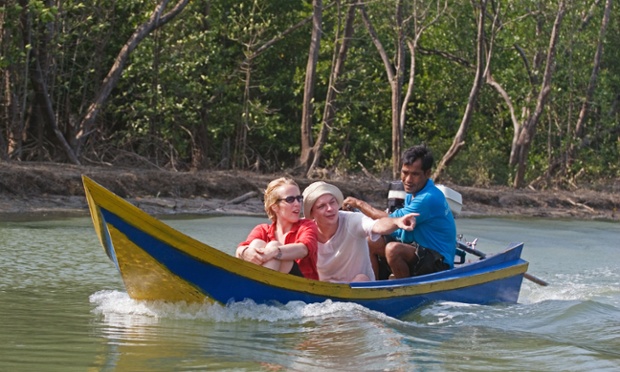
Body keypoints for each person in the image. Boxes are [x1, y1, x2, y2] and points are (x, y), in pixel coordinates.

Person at [343, 144, 456, 279]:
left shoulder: (428, 198)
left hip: (438, 261)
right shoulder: (412, 193)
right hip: (417, 248)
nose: (408, 180)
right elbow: (394, 226)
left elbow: (392, 220)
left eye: (415, 174)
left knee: (393, 249)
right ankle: (373, 284)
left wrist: (359, 204)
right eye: (405, 172)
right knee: (370, 241)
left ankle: (402, 289)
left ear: (427, 174)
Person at [303, 181, 418, 282]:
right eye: (322, 206)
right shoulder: (305, 231)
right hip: (325, 292)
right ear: (312, 213)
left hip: (359, 289)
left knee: (361, 279)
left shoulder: (352, 220)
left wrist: (396, 222)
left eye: (332, 202)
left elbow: (377, 225)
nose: (330, 209)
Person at [236, 177, 319, 280]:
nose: (297, 204)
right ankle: (254, 288)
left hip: (303, 285)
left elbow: (303, 249)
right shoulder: (262, 229)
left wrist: (274, 251)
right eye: (290, 199)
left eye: (299, 198)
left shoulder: (307, 225)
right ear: (275, 207)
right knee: (256, 244)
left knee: (273, 246)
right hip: (270, 279)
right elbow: (240, 250)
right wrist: (246, 252)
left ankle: (254, 290)